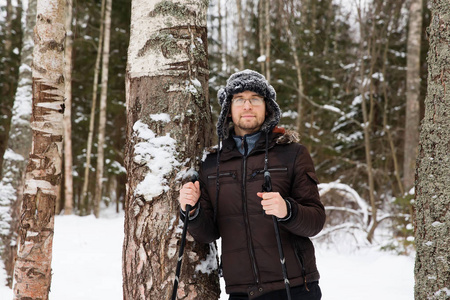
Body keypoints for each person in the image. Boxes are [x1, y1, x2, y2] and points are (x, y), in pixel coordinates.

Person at [179, 70, 325, 300]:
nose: (247, 106)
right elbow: (208, 234)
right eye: (239, 100)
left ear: (267, 108)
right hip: (241, 292)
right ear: (228, 110)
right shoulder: (211, 164)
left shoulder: (292, 154)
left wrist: (288, 210)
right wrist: (192, 210)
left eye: (255, 99)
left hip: (295, 288)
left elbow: (315, 222)